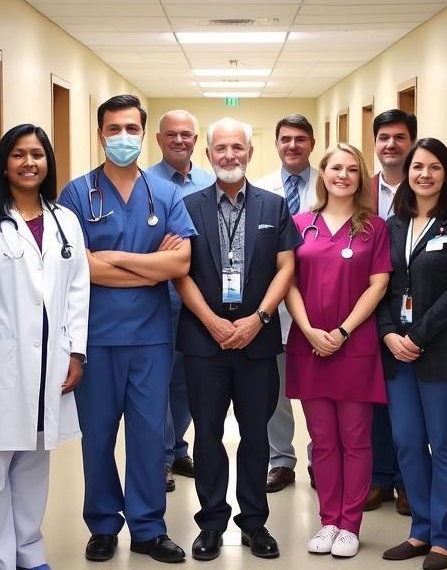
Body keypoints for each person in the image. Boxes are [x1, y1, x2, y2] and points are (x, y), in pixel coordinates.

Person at [58, 94, 195, 564]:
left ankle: (148, 528)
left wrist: (112, 259)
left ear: (143, 133)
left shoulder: (166, 193)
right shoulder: (77, 194)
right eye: (113, 129)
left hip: (151, 337)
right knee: (97, 436)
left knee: (148, 436)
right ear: (100, 135)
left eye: (131, 128)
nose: (123, 137)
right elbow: (79, 267)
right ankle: (102, 525)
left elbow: (180, 263)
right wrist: (149, 267)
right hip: (95, 337)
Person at [0, 124, 89, 570]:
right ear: (4, 164)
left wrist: (76, 352)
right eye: (18, 154)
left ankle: (30, 554)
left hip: (51, 359)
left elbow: (78, 291)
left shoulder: (65, 220)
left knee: (35, 463)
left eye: (37, 154)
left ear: (48, 162)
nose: (29, 162)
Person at [174, 117, 300, 562]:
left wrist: (259, 319)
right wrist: (211, 321)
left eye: (238, 147)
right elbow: (180, 272)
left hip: (257, 342)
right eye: (221, 148)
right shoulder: (187, 206)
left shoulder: (274, 206)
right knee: (207, 435)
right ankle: (211, 524)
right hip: (203, 341)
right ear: (208, 155)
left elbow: (287, 267)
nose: (230, 155)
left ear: (250, 152)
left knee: (256, 435)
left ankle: (254, 524)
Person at [286, 143, 391, 558]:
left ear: (360, 176)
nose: (343, 175)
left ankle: (350, 525)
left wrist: (343, 331)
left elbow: (378, 285)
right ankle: (329, 521)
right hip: (309, 345)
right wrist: (308, 330)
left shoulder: (374, 227)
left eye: (351, 169)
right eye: (335, 168)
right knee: (323, 440)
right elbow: (289, 282)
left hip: (354, 346)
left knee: (356, 439)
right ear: (322, 174)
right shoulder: (300, 224)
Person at [377, 138, 447, 570]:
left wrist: (417, 335)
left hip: (440, 352)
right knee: (407, 441)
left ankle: (443, 539)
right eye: (418, 167)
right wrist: (388, 334)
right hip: (397, 353)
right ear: (408, 172)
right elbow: (380, 284)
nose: (425, 174)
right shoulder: (394, 223)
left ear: (446, 173)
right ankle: (420, 530)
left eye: (435, 167)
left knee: (443, 443)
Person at [145, 109, 216, 491]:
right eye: (171, 134)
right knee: (158, 381)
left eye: (186, 134)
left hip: (200, 301)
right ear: (158, 139)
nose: (179, 140)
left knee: (187, 383)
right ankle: (160, 458)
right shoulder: (145, 183)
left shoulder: (210, 181)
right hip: (159, 299)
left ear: (195, 140)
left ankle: (178, 448)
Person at [253, 114, 318, 492]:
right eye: (285, 139)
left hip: (318, 306)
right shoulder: (261, 189)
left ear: (312, 143)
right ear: (276, 144)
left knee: (316, 390)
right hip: (273, 305)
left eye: (300, 139)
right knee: (273, 392)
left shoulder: (330, 184)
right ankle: (281, 460)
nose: (292, 145)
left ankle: (319, 458)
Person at [365, 108, 416, 515]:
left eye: (399, 137)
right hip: (367, 305)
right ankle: (379, 478)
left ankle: (406, 481)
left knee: (408, 402)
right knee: (374, 398)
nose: (391, 144)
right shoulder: (360, 188)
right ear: (375, 143)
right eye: (384, 137)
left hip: (414, 307)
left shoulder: (426, 185)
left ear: (411, 142)